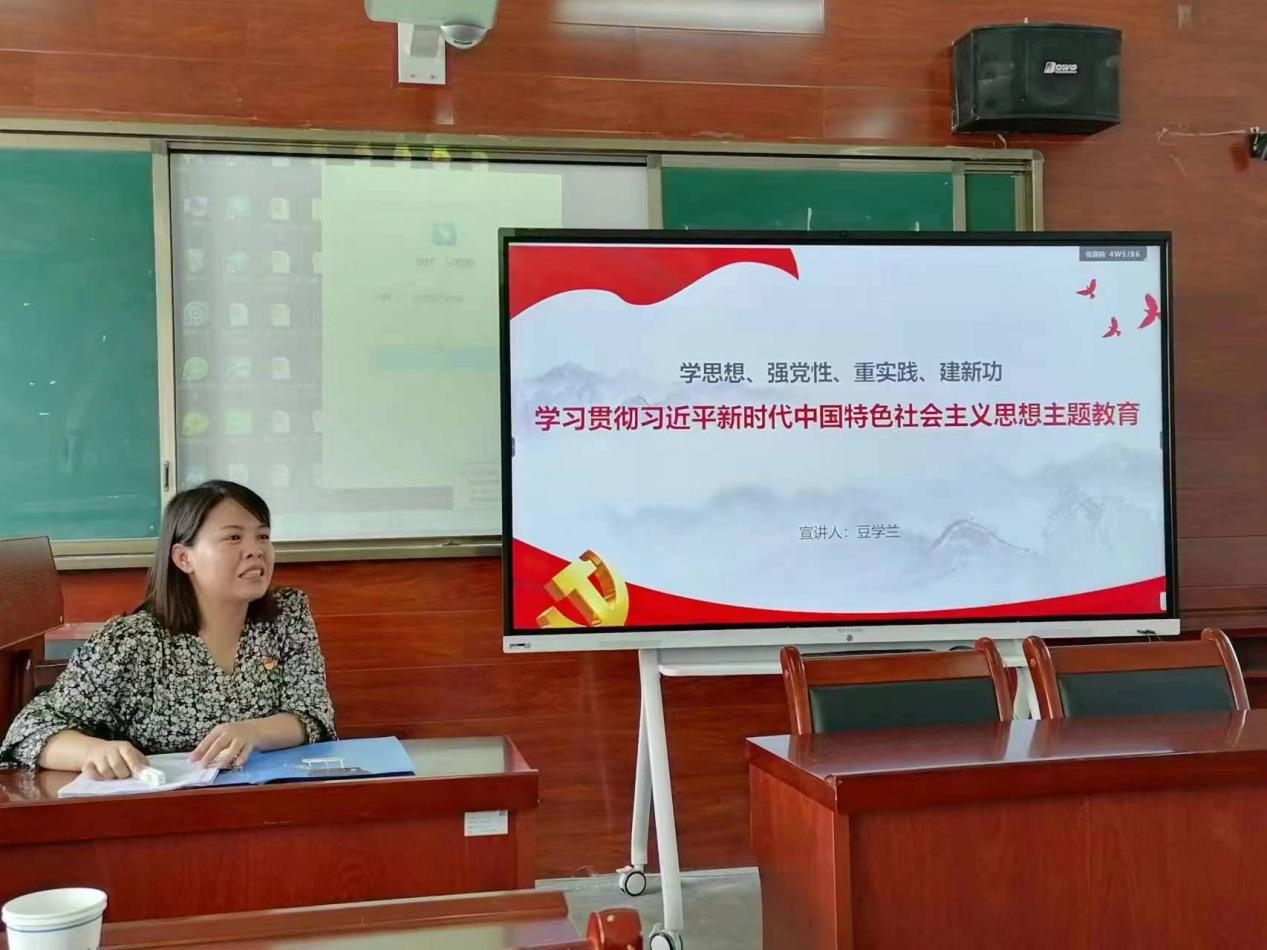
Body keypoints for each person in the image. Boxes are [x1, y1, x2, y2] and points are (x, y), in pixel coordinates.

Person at [0, 480, 336, 780]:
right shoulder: (131, 641)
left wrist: (254, 732)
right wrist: (93, 751)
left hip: (264, 800)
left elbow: (314, 715)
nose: (256, 549)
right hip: (161, 811)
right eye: (234, 537)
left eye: (263, 536)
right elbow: (30, 730)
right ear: (183, 558)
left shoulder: (287, 614)